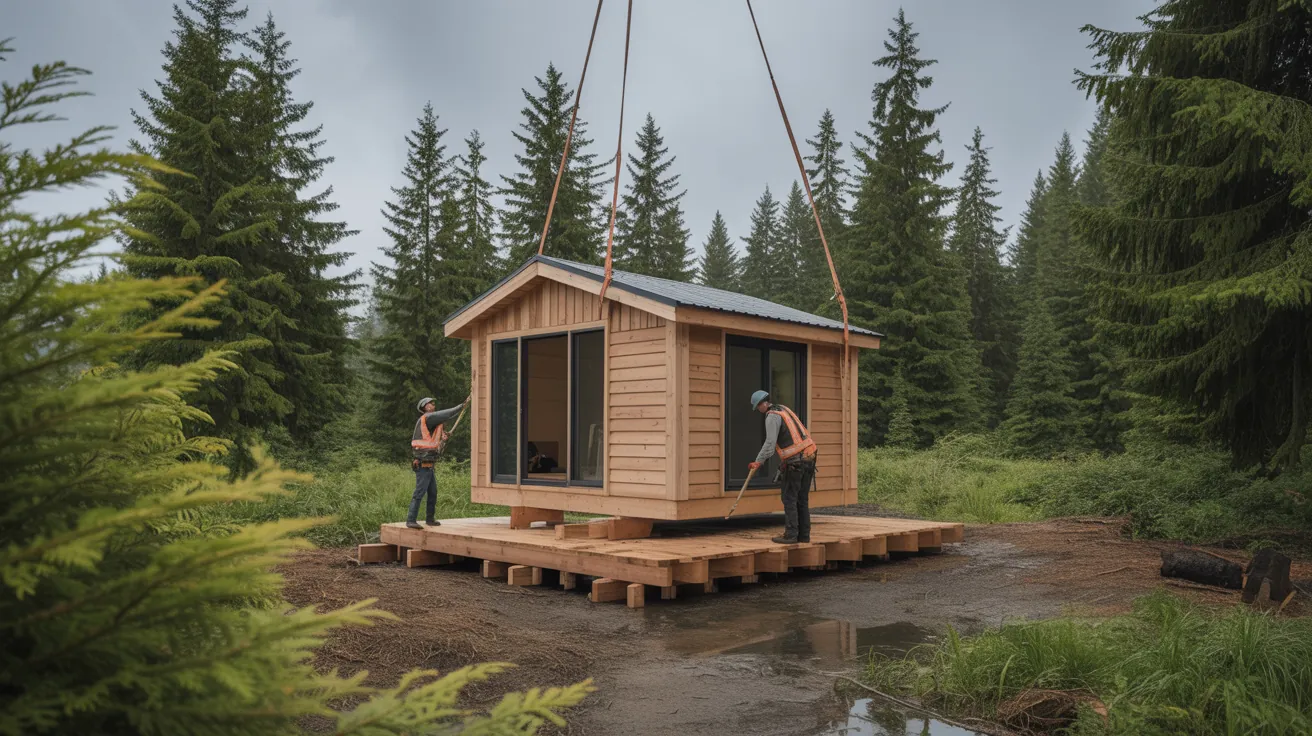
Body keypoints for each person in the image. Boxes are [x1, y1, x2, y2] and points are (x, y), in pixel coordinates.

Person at [747, 389, 818, 544]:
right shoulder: (785, 409)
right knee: (802, 499)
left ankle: (791, 535)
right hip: (809, 457)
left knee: (789, 498)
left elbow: (770, 443)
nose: (758, 411)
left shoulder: (772, 416)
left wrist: (758, 461)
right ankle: (804, 536)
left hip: (795, 463)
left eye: (757, 407)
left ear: (762, 404)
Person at [407, 396, 469, 530]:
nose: (433, 405)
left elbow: (436, 447)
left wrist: (444, 439)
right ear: (424, 407)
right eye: (430, 403)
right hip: (423, 464)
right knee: (419, 493)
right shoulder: (428, 418)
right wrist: (462, 406)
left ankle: (430, 519)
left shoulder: (432, 424)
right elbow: (448, 413)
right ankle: (411, 520)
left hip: (429, 465)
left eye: (433, 403)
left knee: (433, 492)